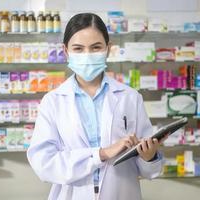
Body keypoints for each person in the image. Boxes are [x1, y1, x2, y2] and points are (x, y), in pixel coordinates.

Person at [27, 13, 164, 200]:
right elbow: (44, 164)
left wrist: (149, 157)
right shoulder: (53, 101)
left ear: (108, 48)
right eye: (78, 48)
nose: (87, 55)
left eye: (96, 47)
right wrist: (101, 154)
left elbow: (149, 171)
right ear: (66, 51)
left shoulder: (130, 98)